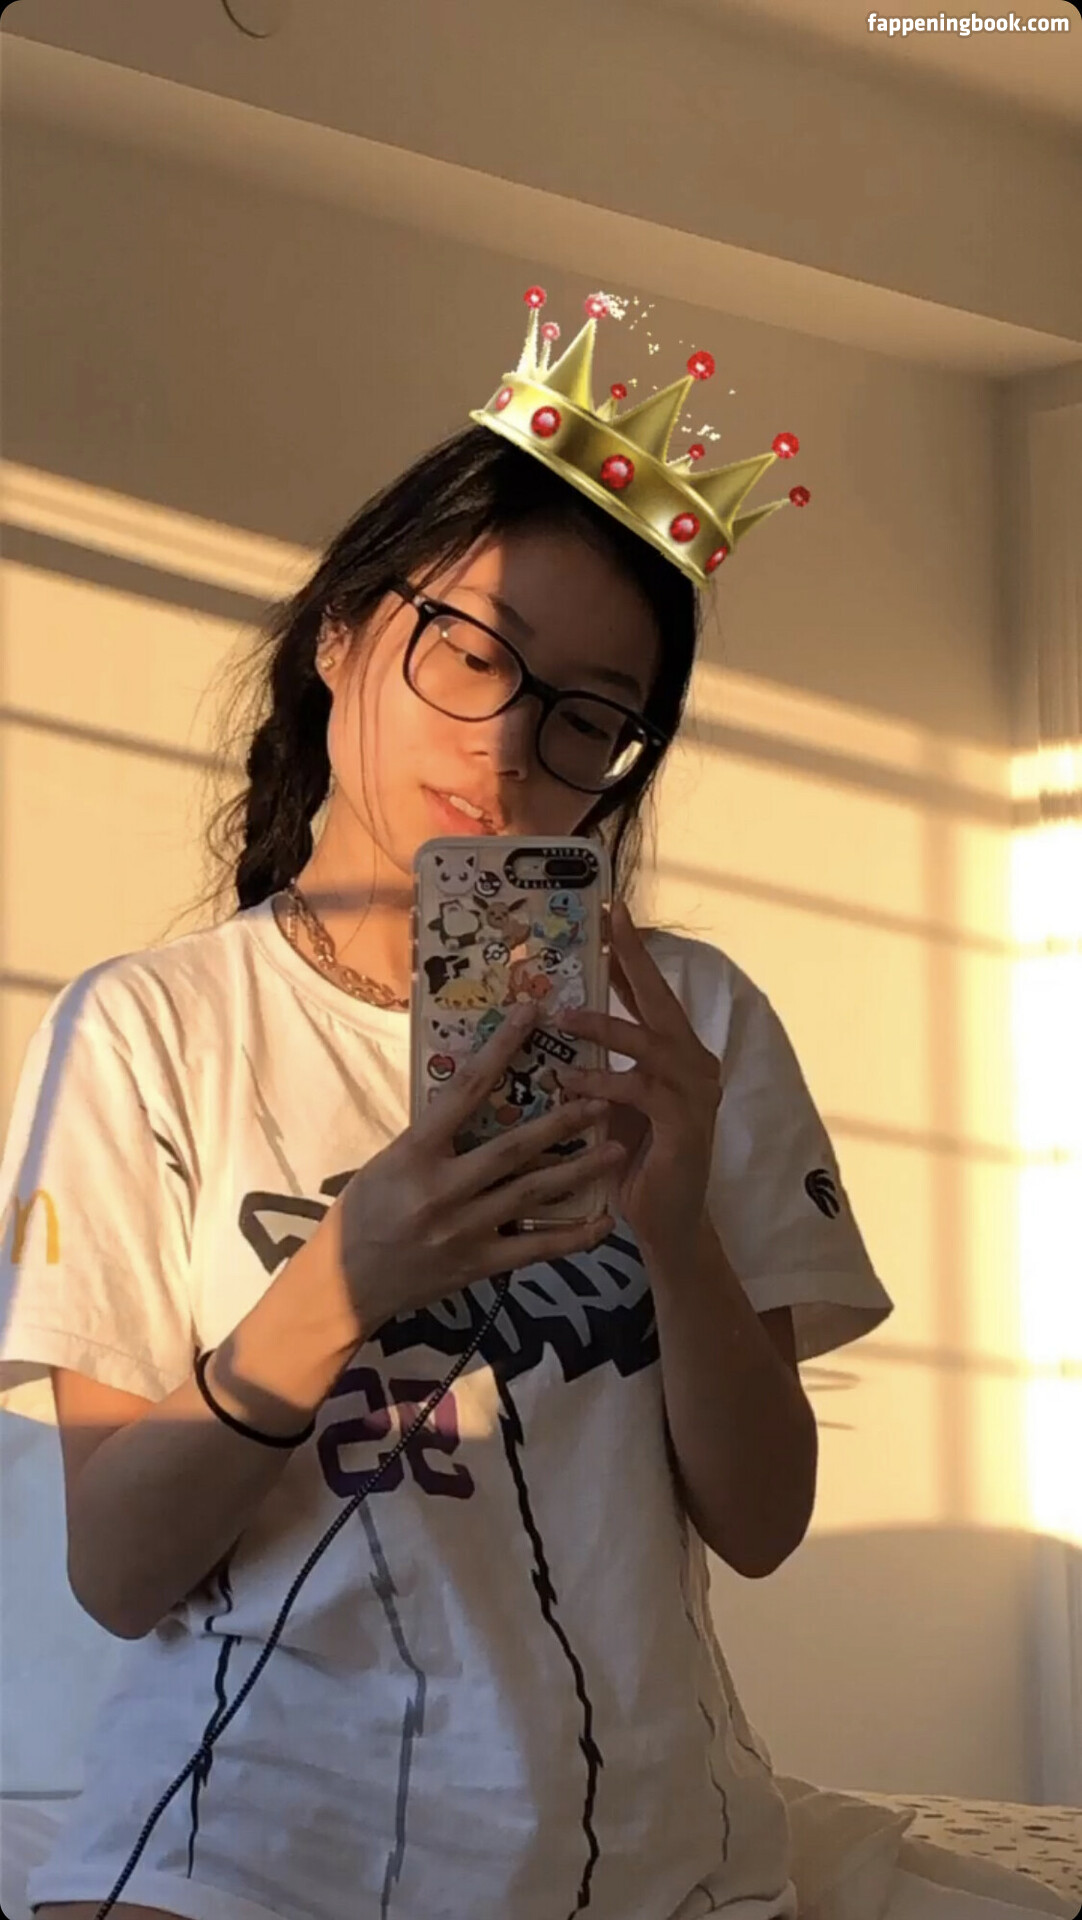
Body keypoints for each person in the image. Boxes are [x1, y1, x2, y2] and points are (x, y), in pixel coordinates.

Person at [0, 296, 896, 1920]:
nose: (508, 745)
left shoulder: (690, 1024)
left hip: (651, 1858)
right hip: (239, 1855)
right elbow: (119, 1572)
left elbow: (761, 1524)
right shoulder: (149, 1030)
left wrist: (675, 1236)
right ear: (341, 635)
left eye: (588, 714)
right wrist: (348, 1276)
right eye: (473, 656)